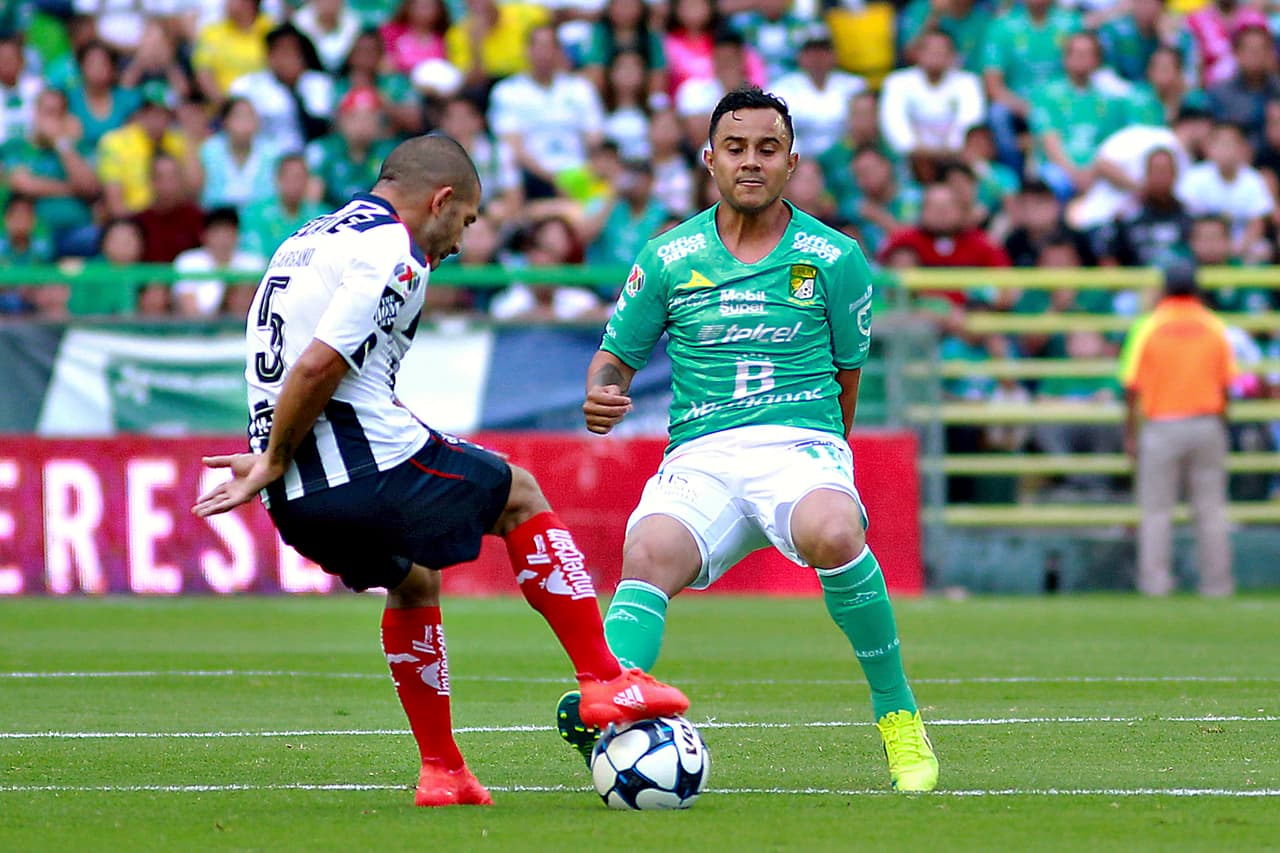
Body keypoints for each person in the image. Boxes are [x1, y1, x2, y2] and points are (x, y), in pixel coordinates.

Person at [191, 133, 688, 807]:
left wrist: (274, 458)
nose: (461, 241)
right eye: (467, 220)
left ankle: (443, 770)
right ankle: (604, 678)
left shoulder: (306, 240)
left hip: (298, 497)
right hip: (351, 466)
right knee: (519, 493)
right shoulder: (392, 250)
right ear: (442, 200)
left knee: (415, 580)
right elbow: (315, 365)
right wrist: (275, 456)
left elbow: (302, 368)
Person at [553, 87, 938, 793]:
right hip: (700, 454)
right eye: (735, 148)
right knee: (646, 552)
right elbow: (615, 357)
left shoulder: (836, 257)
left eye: (767, 148)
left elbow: (847, 379)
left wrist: (831, 464)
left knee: (835, 531)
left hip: (798, 443)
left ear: (792, 162)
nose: (751, 161)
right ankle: (610, 707)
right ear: (710, 159)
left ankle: (897, 711)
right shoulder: (668, 257)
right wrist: (602, 390)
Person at [1120, 261, 1236, 598]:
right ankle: (1217, 585)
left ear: (1165, 289)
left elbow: (1131, 387)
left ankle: (1155, 583)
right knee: (1210, 512)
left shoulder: (1148, 327)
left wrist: (1130, 433)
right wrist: (1222, 422)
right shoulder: (1213, 326)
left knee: (1156, 512)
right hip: (1206, 421)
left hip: (1162, 426)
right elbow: (1227, 383)